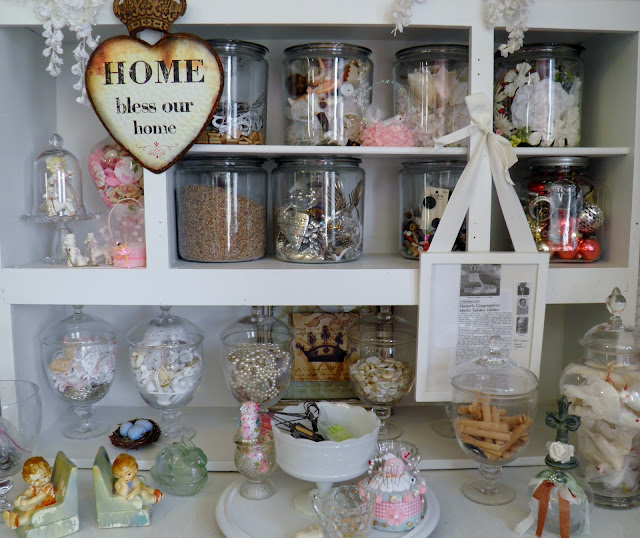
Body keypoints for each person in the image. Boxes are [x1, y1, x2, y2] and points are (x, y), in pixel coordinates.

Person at [3, 457, 56, 529]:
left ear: (49, 473)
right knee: (20, 510)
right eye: (37, 480)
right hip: (37, 504)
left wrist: (27, 503)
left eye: (45, 476)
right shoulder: (34, 486)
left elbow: (38, 499)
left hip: (45, 505)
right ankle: (11, 520)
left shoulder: (47, 487)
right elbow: (28, 492)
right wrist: (20, 498)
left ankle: (18, 522)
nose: (42, 480)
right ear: (29, 480)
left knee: (29, 514)